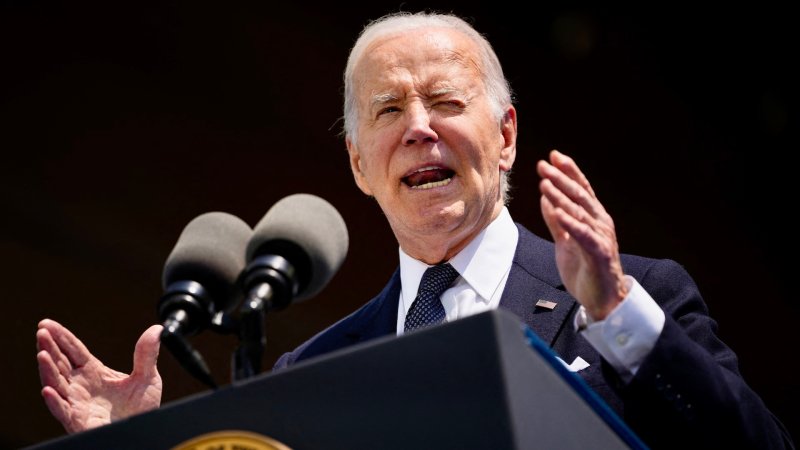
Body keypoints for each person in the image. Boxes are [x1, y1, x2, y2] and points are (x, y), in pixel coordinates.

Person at [36, 11, 794, 449]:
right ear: (360, 164)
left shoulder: (639, 294)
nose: (420, 130)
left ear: (505, 136)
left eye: (445, 101)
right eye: (390, 111)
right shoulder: (316, 366)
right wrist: (133, 446)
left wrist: (615, 312)